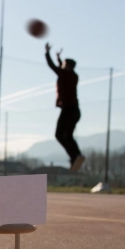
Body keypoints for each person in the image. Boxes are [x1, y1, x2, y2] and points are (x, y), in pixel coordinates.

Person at [45, 43, 85, 171]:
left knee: (59, 135)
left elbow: (52, 66)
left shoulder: (64, 74)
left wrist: (47, 53)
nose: (61, 65)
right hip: (75, 111)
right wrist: (59, 58)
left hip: (68, 110)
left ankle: (75, 156)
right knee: (68, 136)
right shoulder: (73, 75)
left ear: (67, 66)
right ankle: (76, 156)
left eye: (63, 64)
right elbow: (61, 67)